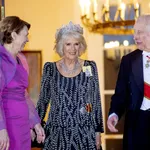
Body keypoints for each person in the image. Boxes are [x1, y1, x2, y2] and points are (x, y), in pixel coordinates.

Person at [36, 21, 104, 150]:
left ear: (81, 46)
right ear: (61, 46)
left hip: (84, 132)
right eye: (68, 44)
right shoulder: (50, 68)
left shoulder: (90, 66)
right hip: (57, 133)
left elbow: (95, 101)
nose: (73, 49)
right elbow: (43, 100)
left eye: (76, 44)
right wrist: (35, 125)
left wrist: (97, 131)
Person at [0, 16, 45, 150]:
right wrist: (1, 129)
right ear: (14, 35)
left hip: (23, 125)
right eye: (25, 35)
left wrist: (35, 123)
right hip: (7, 125)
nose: (27, 39)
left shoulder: (22, 59)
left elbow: (24, 95)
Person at [107, 14, 150, 150]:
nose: (134, 36)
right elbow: (121, 94)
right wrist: (114, 113)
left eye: (139, 32)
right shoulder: (128, 61)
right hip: (137, 126)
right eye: (134, 32)